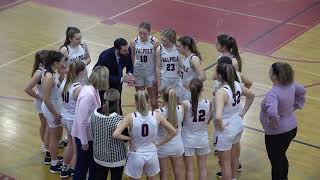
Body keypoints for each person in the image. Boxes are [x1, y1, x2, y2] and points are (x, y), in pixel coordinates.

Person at [113, 90, 177, 180]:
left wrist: (129, 138)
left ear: (136, 102)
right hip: (152, 154)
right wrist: (159, 143)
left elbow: (116, 134)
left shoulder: (130, 117)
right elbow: (173, 132)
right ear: (148, 101)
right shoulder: (157, 115)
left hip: (136, 155)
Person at [260, 62, 305, 180]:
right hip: (291, 128)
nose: (268, 72)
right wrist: (296, 105)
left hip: (277, 134)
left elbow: (273, 113)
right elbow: (303, 91)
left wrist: (273, 125)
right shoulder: (292, 85)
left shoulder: (273, 93)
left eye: (270, 71)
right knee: (281, 156)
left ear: (274, 76)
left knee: (276, 162)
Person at [215, 63, 255, 180]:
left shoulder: (221, 92)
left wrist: (221, 128)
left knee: (225, 164)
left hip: (226, 129)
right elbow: (251, 95)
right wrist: (242, 113)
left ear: (220, 76)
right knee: (235, 158)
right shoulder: (237, 84)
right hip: (237, 125)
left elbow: (218, 117)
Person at [71, 66, 109, 180]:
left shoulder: (93, 89)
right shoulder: (89, 94)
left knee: (92, 165)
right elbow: (81, 121)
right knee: (81, 167)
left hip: (90, 135)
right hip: (84, 137)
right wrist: (84, 142)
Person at [90, 88, 128, 180]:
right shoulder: (118, 120)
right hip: (116, 158)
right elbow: (126, 139)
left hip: (99, 155)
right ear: (117, 101)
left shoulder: (94, 113)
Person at [181, 78, 212, 180]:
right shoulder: (208, 103)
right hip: (202, 138)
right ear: (202, 89)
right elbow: (209, 118)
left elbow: (180, 120)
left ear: (190, 89)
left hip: (187, 139)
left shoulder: (185, 104)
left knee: (189, 169)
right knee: (202, 168)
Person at [59, 61, 86, 179]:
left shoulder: (65, 81)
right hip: (73, 121)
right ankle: (73, 170)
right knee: (77, 150)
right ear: (80, 72)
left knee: (70, 144)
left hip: (65, 116)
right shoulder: (78, 88)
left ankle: (64, 167)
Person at [95, 38, 134, 114]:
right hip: (105, 86)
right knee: (105, 106)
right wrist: (122, 79)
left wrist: (130, 75)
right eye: (124, 50)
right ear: (117, 49)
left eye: (127, 49)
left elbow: (130, 65)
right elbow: (100, 76)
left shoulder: (127, 50)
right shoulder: (105, 57)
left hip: (118, 85)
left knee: (117, 104)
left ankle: (119, 121)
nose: (127, 52)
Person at [41, 50, 65, 173]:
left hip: (54, 106)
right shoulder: (49, 77)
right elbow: (45, 99)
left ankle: (49, 157)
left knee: (51, 134)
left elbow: (57, 87)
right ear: (55, 62)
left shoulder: (52, 72)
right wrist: (56, 114)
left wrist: (62, 73)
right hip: (51, 109)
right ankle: (54, 165)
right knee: (54, 138)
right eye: (62, 61)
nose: (64, 63)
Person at [156, 87, 184, 180]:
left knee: (164, 174)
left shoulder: (158, 112)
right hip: (177, 145)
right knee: (178, 172)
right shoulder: (181, 108)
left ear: (163, 98)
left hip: (162, 146)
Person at [24, 50, 49, 153]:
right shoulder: (39, 72)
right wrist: (40, 98)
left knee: (49, 124)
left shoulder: (47, 68)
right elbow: (27, 89)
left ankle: (49, 142)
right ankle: (44, 144)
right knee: (44, 124)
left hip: (48, 100)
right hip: (42, 102)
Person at [131, 21, 159, 110]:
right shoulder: (134, 41)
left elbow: (158, 59)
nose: (142, 35)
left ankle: (156, 119)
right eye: (140, 33)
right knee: (140, 99)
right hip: (138, 73)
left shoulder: (155, 41)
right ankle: (141, 119)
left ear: (149, 32)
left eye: (145, 33)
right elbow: (132, 58)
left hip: (150, 73)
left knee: (154, 102)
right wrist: (132, 73)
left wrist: (157, 74)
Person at [176, 36, 206, 101]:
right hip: (181, 88)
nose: (176, 48)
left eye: (178, 46)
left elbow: (203, 76)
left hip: (189, 92)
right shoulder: (184, 57)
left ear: (186, 47)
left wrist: (190, 83)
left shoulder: (194, 59)